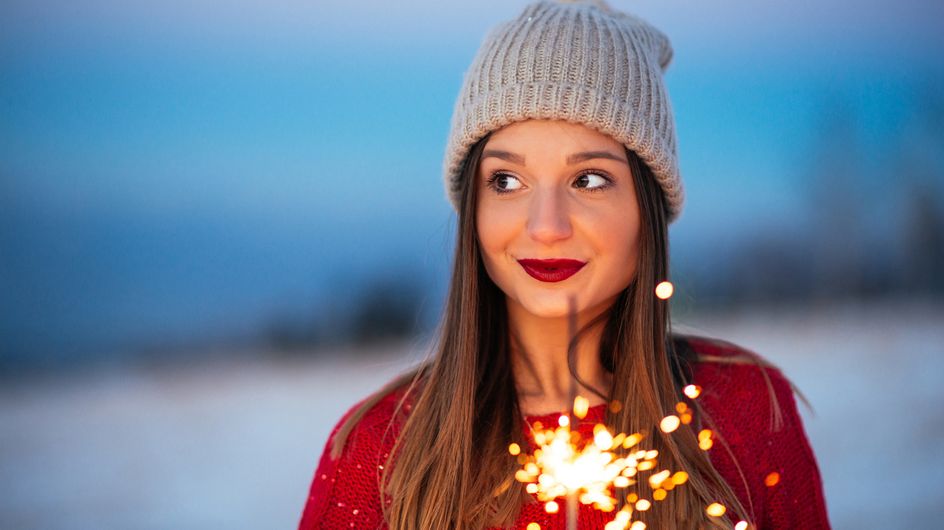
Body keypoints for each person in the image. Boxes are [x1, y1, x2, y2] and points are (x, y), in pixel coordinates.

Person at [298, 1, 830, 528]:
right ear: (472, 209)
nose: (546, 226)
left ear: (648, 207)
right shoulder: (378, 454)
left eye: (589, 179)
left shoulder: (745, 411)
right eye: (506, 181)